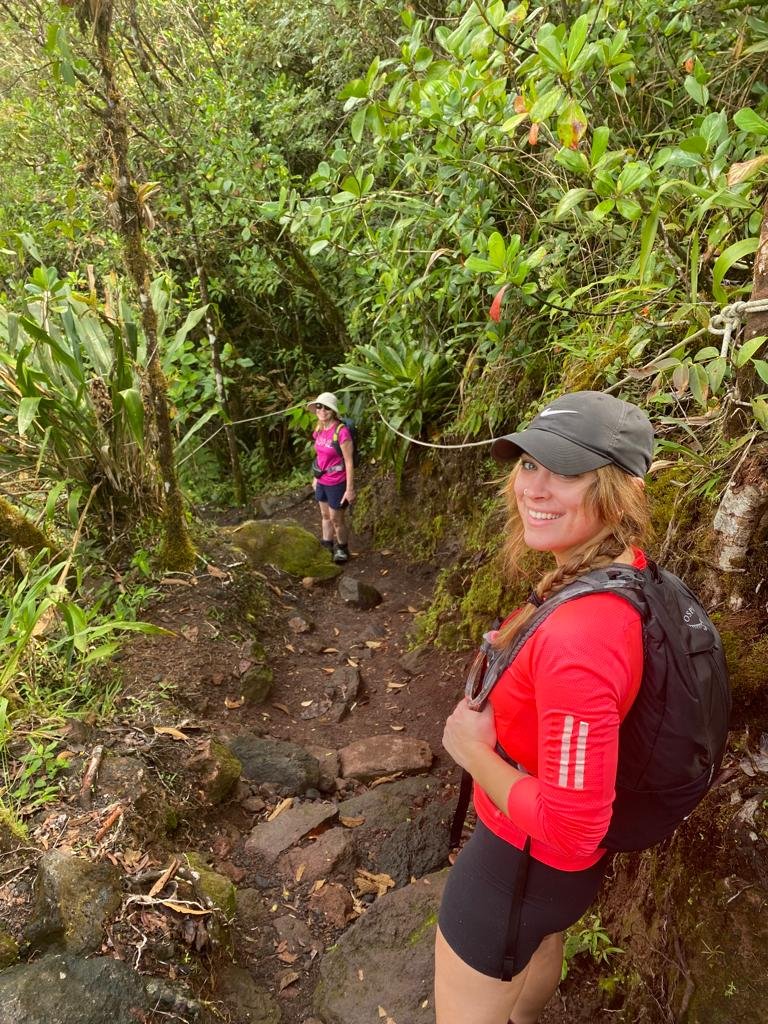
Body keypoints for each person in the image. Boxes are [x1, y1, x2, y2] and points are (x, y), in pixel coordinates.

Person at [436, 390, 655, 1024]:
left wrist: (472, 750)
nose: (535, 486)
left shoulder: (581, 637)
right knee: (533, 970)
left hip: (518, 868)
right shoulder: (620, 569)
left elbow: (572, 823)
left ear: (617, 489)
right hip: (553, 884)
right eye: (529, 464)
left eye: (565, 472)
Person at [307, 391, 356, 564]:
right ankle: (327, 544)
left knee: (337, 519)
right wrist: (316, 477)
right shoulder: (319, 429)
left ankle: (342, 548)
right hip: (322, 481)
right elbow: (320, 455)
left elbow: (349, 462)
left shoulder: (341, 432)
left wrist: (350, 489)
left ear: (333, 411)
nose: (322, 410)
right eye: (319, 406)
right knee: (324, 515)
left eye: (327, 408)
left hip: (337, 482)